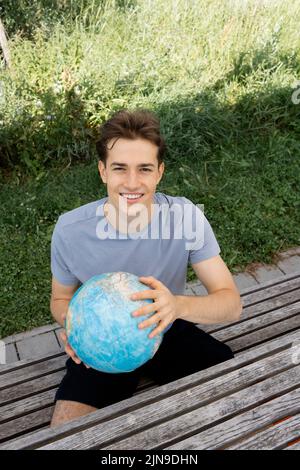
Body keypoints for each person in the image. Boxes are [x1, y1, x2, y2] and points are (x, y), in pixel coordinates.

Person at [50, 109, 242, 427]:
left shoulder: (185, 218)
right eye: (120, 169)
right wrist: (74, 325)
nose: (132, 182)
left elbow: (231, 303)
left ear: (159, 172)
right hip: (102, 346)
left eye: (144, 169)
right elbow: (59, 300)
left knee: (241, 403)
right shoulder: (70, 230)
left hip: (166, 325)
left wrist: (176, 305)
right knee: (64, 437)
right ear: (102, 171)